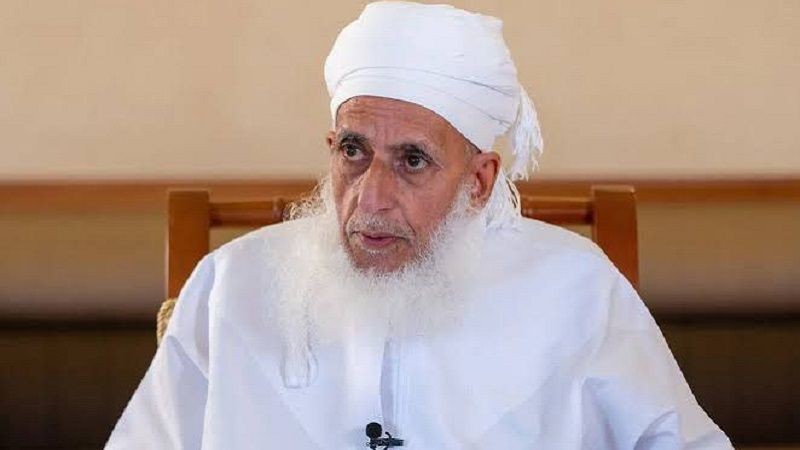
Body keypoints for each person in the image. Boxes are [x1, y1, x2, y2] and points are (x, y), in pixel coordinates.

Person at [106, 2, 732, 448]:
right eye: (353, 151)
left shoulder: (577, 289)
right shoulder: (229, 284)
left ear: (479, 181)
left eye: (412, 161)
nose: (372, 199)